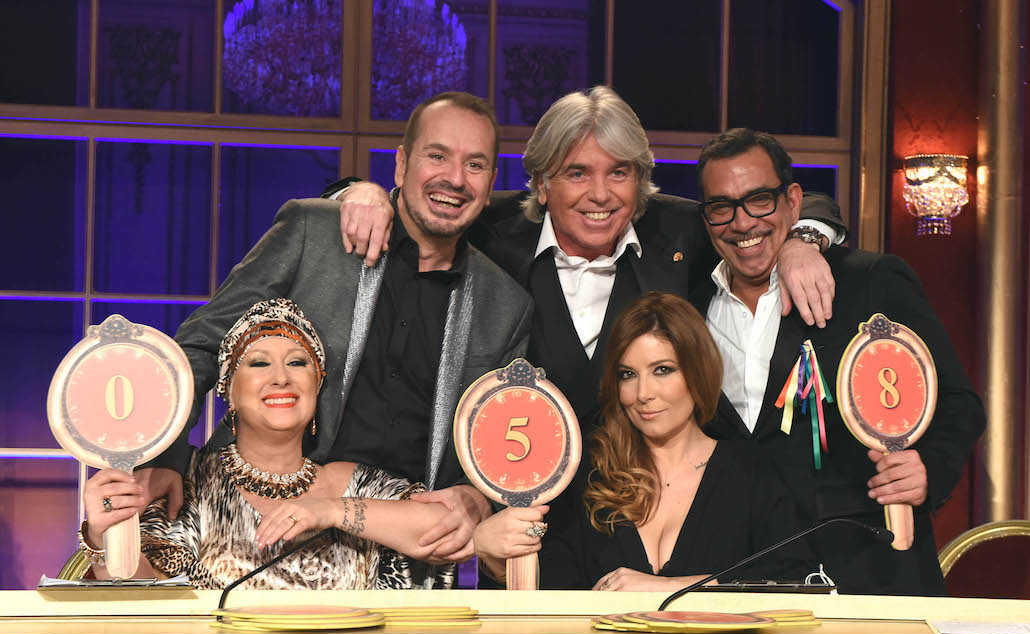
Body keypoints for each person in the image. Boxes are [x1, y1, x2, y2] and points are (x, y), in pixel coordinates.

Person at [328, 86, 846, 535]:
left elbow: (783, 207)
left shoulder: (678, 233)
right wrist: (363, 192)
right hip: (523, 531)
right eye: (577, 173)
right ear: (542, 183)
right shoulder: (490, 233)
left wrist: (800, 241)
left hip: (656, 523)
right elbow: (425, 202)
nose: (600, 194)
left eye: (619, 172)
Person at [136, 92, 534, 569]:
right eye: (437, 156)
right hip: (251, 529)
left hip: (397, 553)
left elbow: (501, 441)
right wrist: (164, 456)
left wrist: (477, 495)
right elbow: (200, 345)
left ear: (490, 185)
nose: (454, 178)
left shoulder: (506, 305)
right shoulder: (315, 232)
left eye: (475, 165)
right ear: (401, 165)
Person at [693, 128, 986, 595]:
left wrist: (928, 467)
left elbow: (958, 400)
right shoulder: (690, 299)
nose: (742, 222)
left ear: (792, 201)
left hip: (867, 567)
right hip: (740, 570)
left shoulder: (868, 282)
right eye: (721, 206)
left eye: (759, 200)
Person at [79, 299, 455, 588]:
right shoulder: (186, 481)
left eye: (298, 363)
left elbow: (443, 526)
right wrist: (102, 535)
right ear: (229, 391)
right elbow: (140, 595)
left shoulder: (349, 482)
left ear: (317, 386)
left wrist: (329, 511)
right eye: (259, 363)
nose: (281, 378)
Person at [473, 292, 813, 591]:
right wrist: (496, 561)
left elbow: (795, 582)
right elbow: (551, 587)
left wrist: (671, 589)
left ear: (698, 371)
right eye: (628, 375)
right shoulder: (591, 475)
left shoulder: (751, 472)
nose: (643, 394)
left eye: (662, 370)